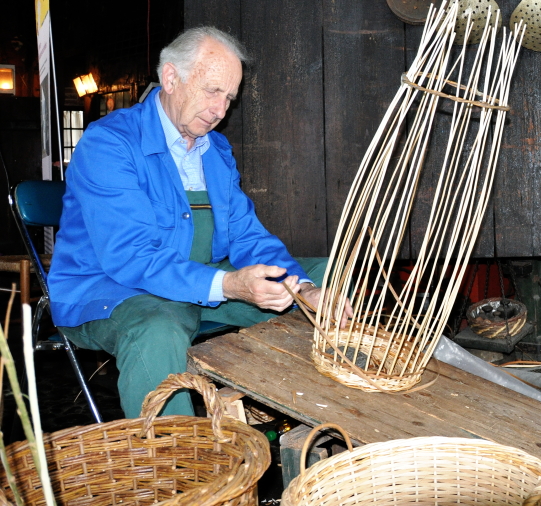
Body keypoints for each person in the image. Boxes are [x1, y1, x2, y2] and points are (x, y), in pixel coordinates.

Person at [48, 26, 348, 417]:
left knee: (327, 276)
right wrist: (228, 284)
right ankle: (176, 468)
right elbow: (130, 257)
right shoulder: (110, 143)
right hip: (115, 289)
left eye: (229, 98)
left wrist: (304, 289)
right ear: (171, 77)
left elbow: (246, 235)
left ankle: (317, 406)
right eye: (212, 91)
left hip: (198, 281)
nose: (221, 111)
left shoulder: (214, 150)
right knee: (159, 330)